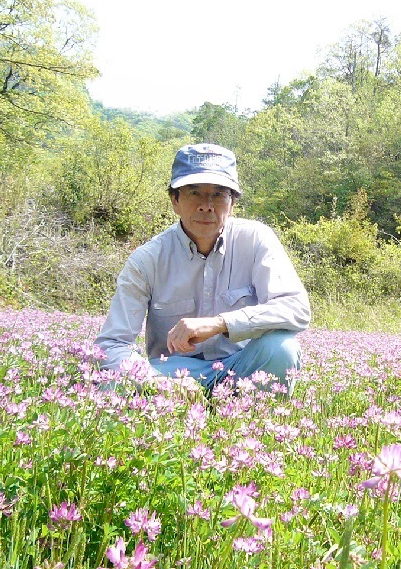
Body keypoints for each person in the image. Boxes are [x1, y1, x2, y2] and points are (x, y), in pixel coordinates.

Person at [96, 143, 310, 392]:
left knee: (282, 348)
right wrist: (154, 382)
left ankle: (254, 421)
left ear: (232, 204)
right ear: (175, 200)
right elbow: (112, 343)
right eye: (194, 192)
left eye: (219, 194)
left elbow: (296, 308)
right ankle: (171, 406)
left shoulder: (255, 239)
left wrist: (221, 323)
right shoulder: (147, 259)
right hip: (171, 375)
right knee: (114, 379)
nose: (206, 205)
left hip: (241, 368)